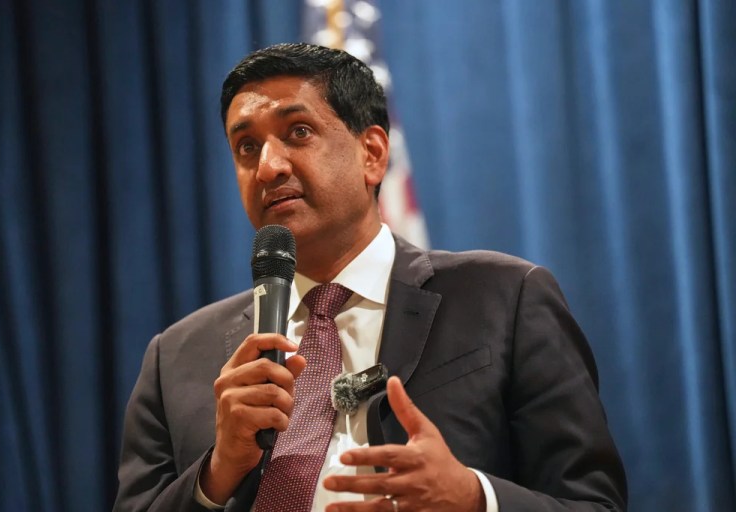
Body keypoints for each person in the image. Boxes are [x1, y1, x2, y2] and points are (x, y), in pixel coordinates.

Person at [113, 43, 627, 512]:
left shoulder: (504, 299)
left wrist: (473, 499)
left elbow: (594, 503)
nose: (268, 166)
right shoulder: (177, 356)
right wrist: (216, 473)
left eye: (298, 132)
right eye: (246, 146)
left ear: (373, 154)